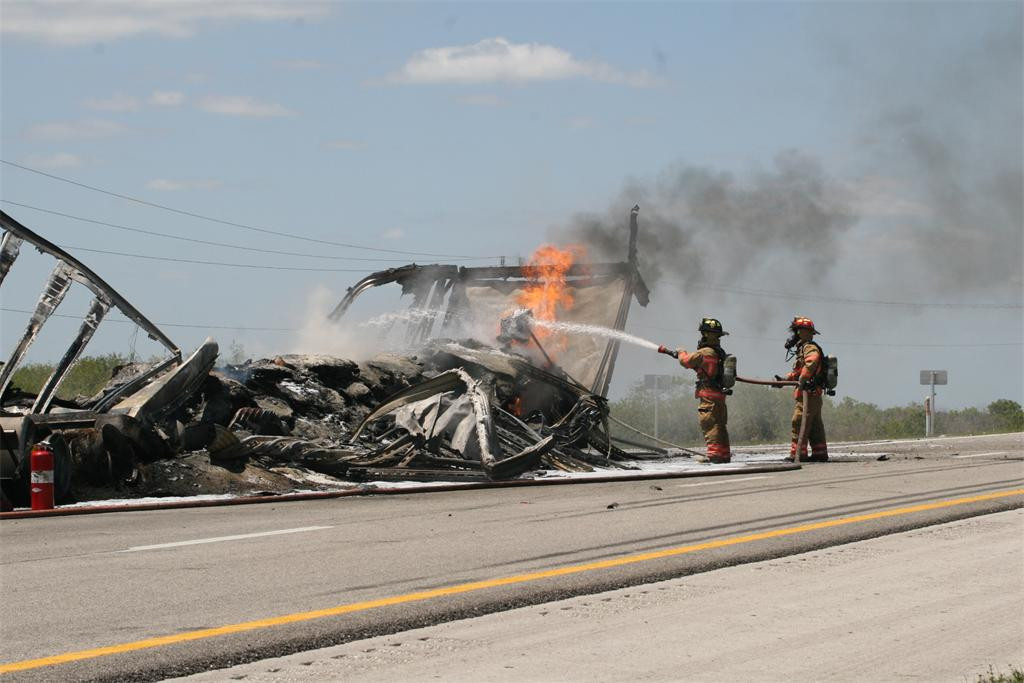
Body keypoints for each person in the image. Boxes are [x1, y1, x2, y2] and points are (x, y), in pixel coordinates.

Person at [677, 318, 731, 464]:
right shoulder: (719, 353)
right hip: (720, 396)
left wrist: (681, 352)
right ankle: (724, 454)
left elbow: (686, 362)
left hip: (708, 395)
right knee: (720, 425)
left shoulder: (704, 352)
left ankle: (714, 455)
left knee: (709, 424)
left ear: (706, 334)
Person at [779, 316, 828, 462]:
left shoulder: (808, 347)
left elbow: (812, 360)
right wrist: (785, 380)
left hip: (808, 393)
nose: (794, 335)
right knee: (814, 425)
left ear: (801, 332)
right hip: (814, 394)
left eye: (796, 331)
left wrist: (803, 378)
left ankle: (798, 454)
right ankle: (820, 453)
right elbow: (799, 371)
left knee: (799, 421)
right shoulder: (803, 348)